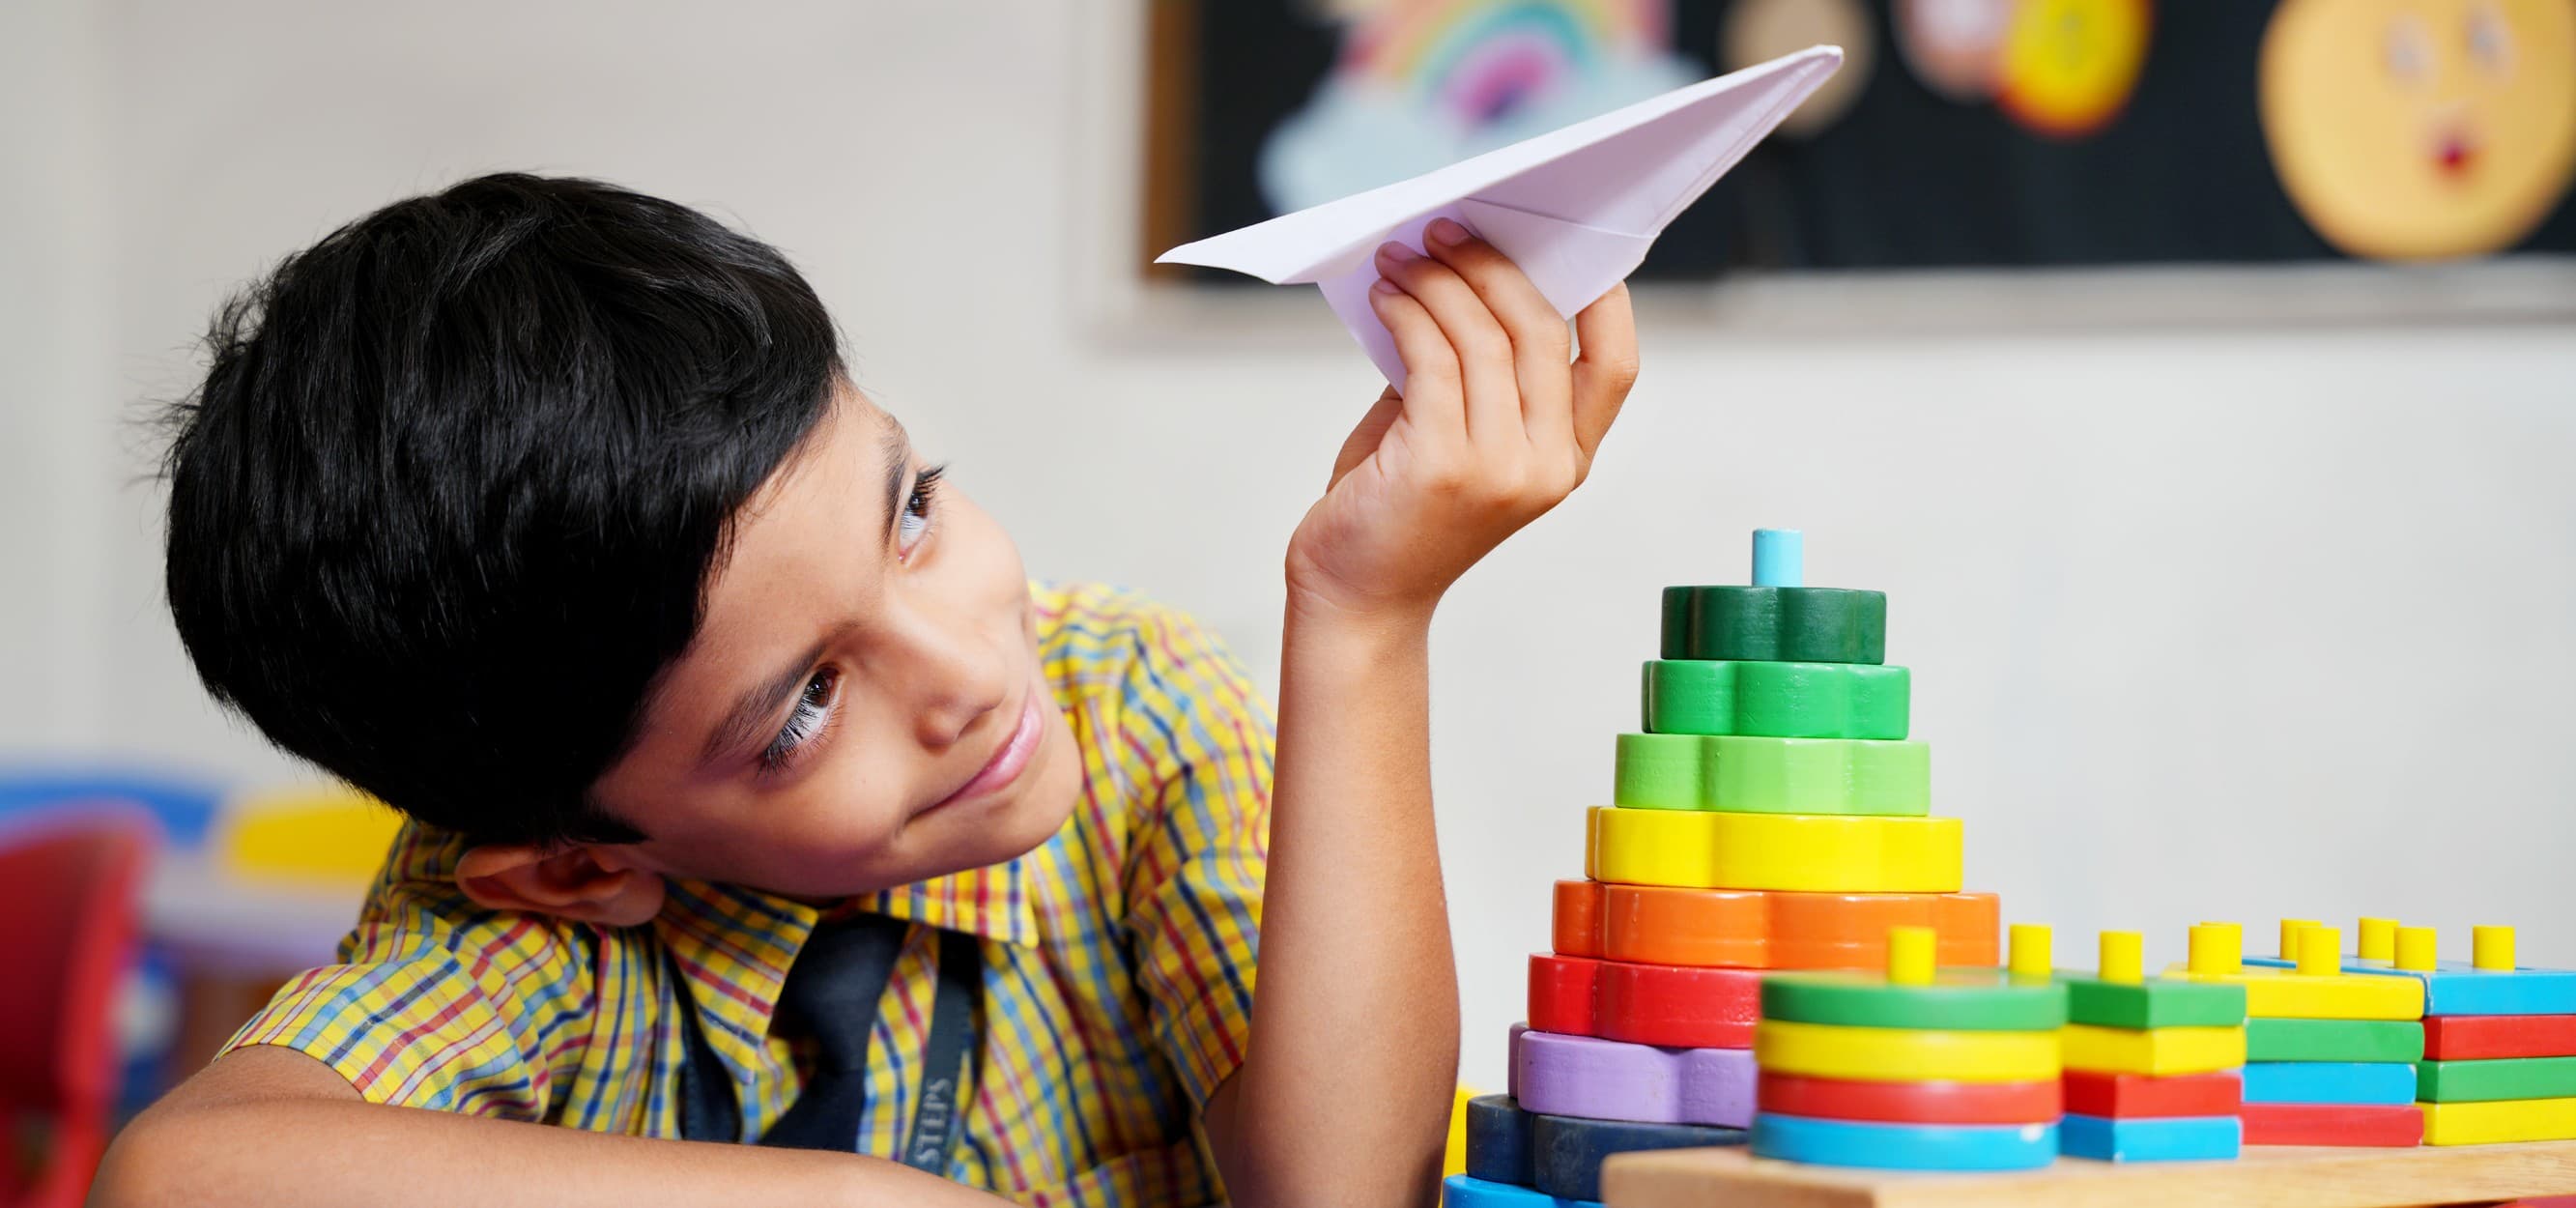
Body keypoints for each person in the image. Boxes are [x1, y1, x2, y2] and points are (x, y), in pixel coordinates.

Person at [95, 172, 1637, 1208]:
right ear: (580, 864)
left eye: (911, 510)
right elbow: (181, 1172)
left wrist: (1362, 614)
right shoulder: (526, 910)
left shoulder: (1134, 711)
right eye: (804, 707)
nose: (969, 671)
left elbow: (1337, 1192)